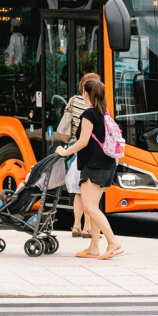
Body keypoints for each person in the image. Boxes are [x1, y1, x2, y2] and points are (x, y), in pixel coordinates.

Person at [55, 78, 123, 260]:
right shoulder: (104, 113)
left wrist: (65, 151)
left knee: (90, 206)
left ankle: (112, 242)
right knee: (94, 206)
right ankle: (93, 247)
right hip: (107, 164)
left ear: (87, 94)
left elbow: (83, 141)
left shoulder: (88, 114)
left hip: (93, 165)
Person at [59, 73, 99, 239]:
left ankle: (76, 225)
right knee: (89, 192)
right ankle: (88, 228)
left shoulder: (74, 101)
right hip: (89, 152)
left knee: (78, 192)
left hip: (74, 150)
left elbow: (66, 120)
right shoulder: (97, 105)